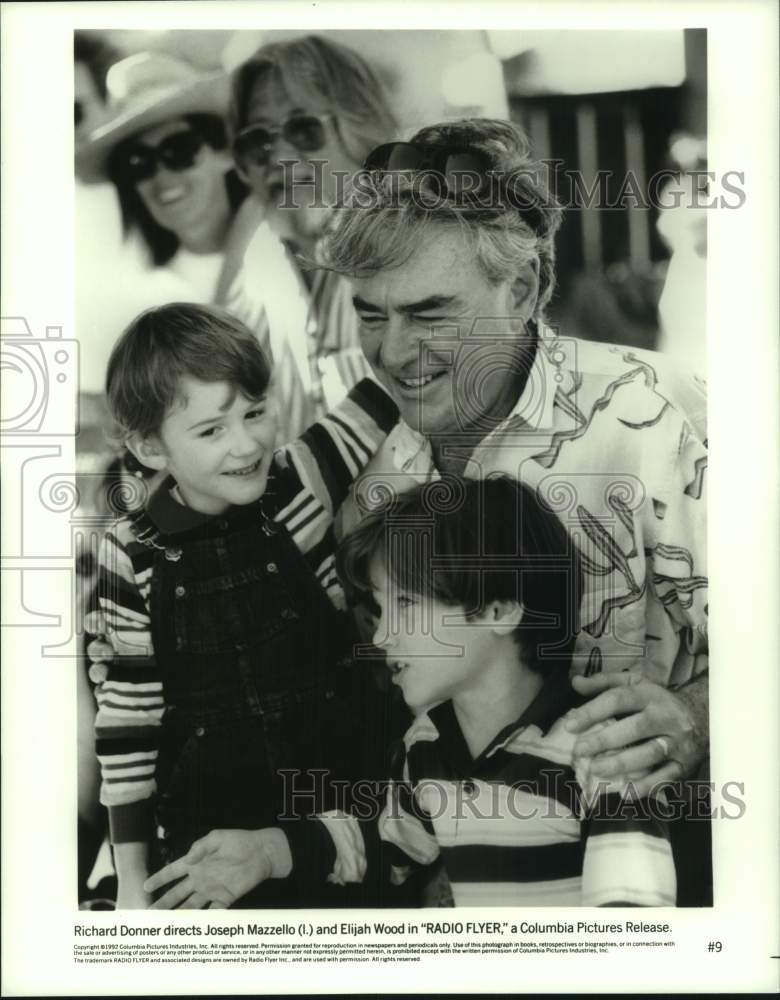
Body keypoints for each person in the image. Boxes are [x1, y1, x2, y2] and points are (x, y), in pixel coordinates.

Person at [312, 118, 710, 801]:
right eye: (372, 316)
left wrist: (700, 717)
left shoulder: (656, 412)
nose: (396, 352)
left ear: (521, 290)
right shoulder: (350, 457)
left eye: (431, 314)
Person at [144, 477, 677, 908]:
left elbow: (630, 940)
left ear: (499, 609)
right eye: (379, 609)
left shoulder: (603, 754)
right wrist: (266, 850)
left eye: (405, 605)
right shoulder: (426, 746)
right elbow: (384, 845)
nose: (380, 636)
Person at [86, 302, 398, 909]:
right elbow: (127, 727)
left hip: (340, 810)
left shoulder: (301, 478)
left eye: (255, 412)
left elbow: (384, 391)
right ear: (150, 448)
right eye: (211, 430)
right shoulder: (128, 555)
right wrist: (130, 882)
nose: (247, 443)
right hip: (210, 847)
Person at [221, 35, 399, 443]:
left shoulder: (421, 252)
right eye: (256, 140)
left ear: (363, 127)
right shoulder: (255, 269)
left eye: (302, 129)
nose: (279, 158)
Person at [76, 51, 263, 308]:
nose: (162, 175)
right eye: (138, 162)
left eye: (179, 151)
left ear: (225, 154)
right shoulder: (144, 300)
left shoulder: (290, 247)